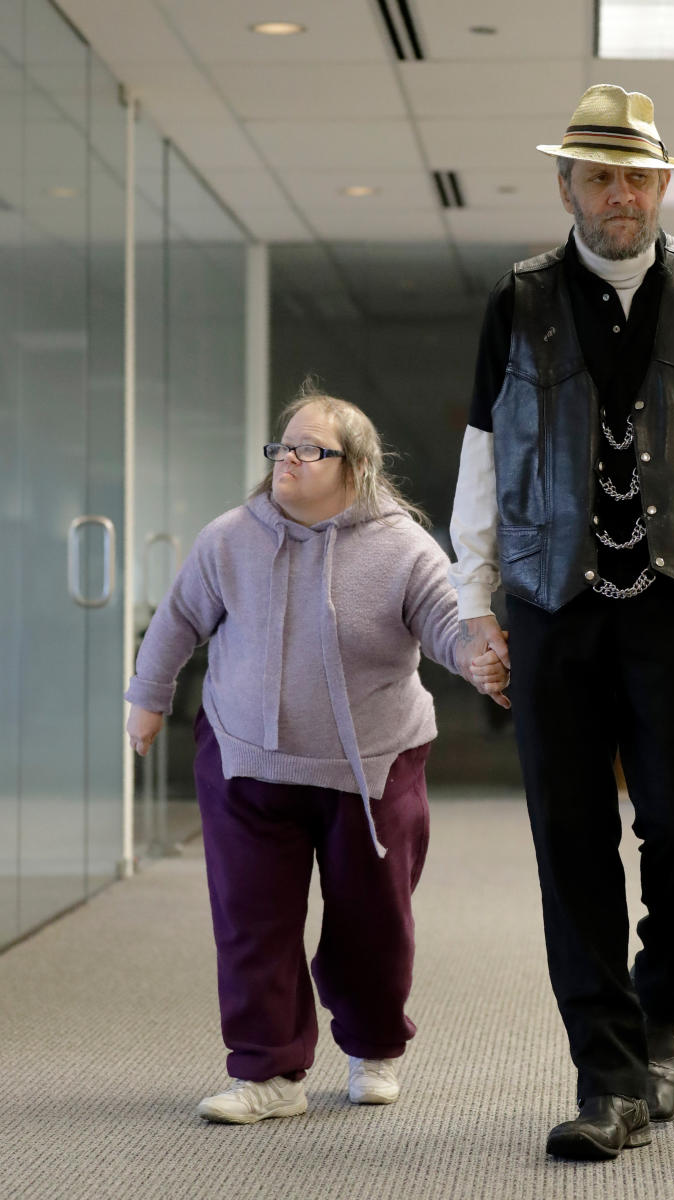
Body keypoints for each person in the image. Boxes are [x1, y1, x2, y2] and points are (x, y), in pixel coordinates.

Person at [450, 84, 674, 1160]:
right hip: (551, 607)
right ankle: (606, 1074)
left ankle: (660, 1013)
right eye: (598, 176)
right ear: (567, 185)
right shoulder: (515, 301)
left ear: (665, 183)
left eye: (636, 176)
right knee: (569, 843)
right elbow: (486, 463)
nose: (619, 194)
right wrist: (475, 606)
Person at [126, 386, 508, 1125]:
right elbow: (178, 620)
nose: (288, 460)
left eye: (310, 449)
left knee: (372, 917)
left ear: (355, 465)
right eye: (283, 447)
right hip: (245, 760)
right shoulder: (231, 536)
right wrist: (148, 698)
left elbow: (446, 626)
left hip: (372, 766)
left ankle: (375, 1049)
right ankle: (268, 1073)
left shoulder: (402, 546)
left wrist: (478, 662)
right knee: (251, 921)